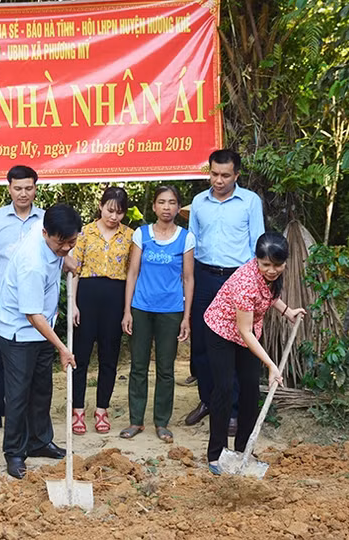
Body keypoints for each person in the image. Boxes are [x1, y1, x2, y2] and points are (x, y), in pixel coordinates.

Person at [204, 232, 305, 475]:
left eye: (277, 265)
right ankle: (216, 454)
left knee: (250, 390)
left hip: (247, 332)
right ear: (256, 260)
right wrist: (271, 364)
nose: (271, 270)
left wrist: (287, 311)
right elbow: (245, 332)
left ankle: (243, 449)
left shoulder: (272, 276)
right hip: (221, 331)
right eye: (265, 265)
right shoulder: (245, 282)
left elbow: (269, 296)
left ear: (284, 262)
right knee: (225, 389)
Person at [0, 203, 81, 479]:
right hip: (19, 332)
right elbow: (32, 314)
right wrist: (63, 348)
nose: (67, 247)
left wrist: (64, 257)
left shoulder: (47, 228)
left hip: (45, 325)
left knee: (42, 387)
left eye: (72, 242)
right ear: (46, 233)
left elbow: (61, 250)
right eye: (62, 243)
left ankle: (39, 441)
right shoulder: (32, 262)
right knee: (19, 393)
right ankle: (15, 452)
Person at [186, 149, 265, 436]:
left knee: (233, 346)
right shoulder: (198, 202)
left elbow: (258, 246)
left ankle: (232, 411)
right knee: (203, 345)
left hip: (237, 280)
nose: (218, 181)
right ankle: (208, 401)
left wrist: (255, 286)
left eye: (225, 175)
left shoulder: (250, 202)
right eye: (214, 174)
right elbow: (191, 245)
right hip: (205, 277)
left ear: (237, 175)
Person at [0, 165, 44, 436]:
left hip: (32, 304)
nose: (23, 193)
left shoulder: (45, 221)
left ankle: (25, 417)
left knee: (31, 364)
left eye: (28, 188)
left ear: (35, 188)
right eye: (18, 188)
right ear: (9, 189)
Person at [120, 186, 194, 443]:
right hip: (141, 308)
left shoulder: (186, 238)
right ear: (153, 207)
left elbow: (188, 278)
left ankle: (161, 422)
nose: (166, 207)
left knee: (166, 369)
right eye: (161, 202)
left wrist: (186, 316)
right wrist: (127, 310)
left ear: (178, 207)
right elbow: (132, 273)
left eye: (172, 202)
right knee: (138, 367)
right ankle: (135, 421)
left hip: (171, 310)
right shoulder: (142, 234)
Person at [69, 187, 132, 435]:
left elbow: (131, 273)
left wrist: (127, 309)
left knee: (109, 357)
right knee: (80, 358)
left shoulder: (130, 236)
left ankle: (102, 410)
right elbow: (75, 268)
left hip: (115, 297)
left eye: (119, 212)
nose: (113, 216)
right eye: (109, 209)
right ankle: (77, 412)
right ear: (100, 205)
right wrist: (73, 303)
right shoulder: (85, 232)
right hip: (87, 294)